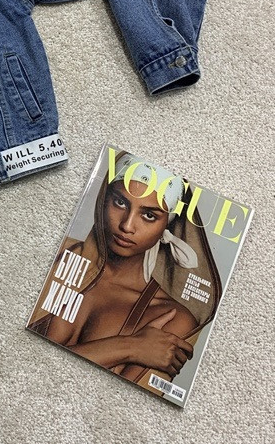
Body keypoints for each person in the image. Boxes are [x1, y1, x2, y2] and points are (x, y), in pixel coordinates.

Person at [28, 151, 220, 391]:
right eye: (120, 203)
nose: (127, 225)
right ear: (103, 199)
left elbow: (114, 400)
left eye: (149, 215)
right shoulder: (60, 254)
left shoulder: (171, 317)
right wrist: (129, 347)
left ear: (167, 226)